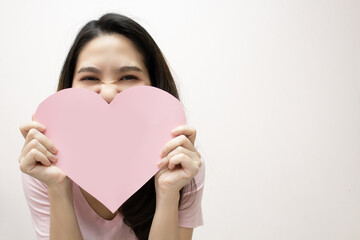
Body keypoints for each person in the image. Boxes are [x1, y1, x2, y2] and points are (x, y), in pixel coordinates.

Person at [18, 13, 205, 240]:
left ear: (154, 84)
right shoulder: (44, 164)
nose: (107, 92)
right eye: (90, 78)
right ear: (69, 86)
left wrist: (168, 193)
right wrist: (57, 187)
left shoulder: (181, 163)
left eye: (127, 77)